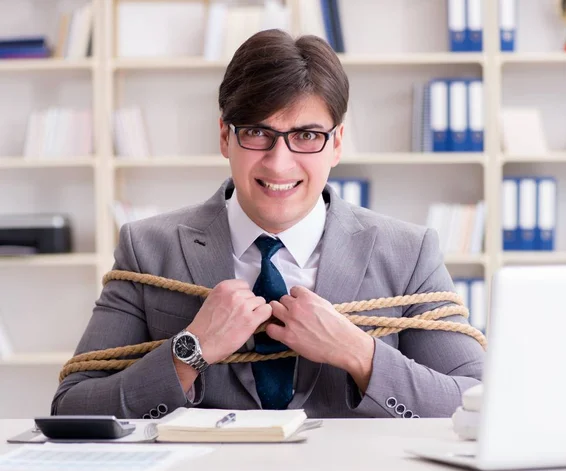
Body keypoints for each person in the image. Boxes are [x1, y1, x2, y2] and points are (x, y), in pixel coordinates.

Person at [52, 29, 484, 419]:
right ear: (225, 136)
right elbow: (73, 407)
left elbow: (479, 401)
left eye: (307, 136)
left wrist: (358, 353)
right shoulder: (147, 249)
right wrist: (190, 351)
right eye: (258, 133)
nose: (279, 163)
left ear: (336, 143)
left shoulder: (408, 253)